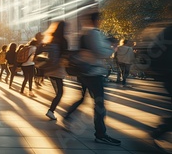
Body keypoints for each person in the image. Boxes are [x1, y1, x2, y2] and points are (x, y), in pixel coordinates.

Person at [77, 13, 121, 146]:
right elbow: (100, 52)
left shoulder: (86, 33)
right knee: (100, 104)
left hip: (88, 72)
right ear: (97, 20)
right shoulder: (94, 33)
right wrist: (111, 47)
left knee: (97, 103)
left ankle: (100, 133)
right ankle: (101, 134)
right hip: (93, 73)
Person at [43, 21, 68, 120]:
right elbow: (64, 57)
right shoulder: (63, 41)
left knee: (58, 92)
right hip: (57, 70)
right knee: (60, 93)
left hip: (51, 70)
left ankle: (52, 110)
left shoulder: (52, 40)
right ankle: (51, 111)